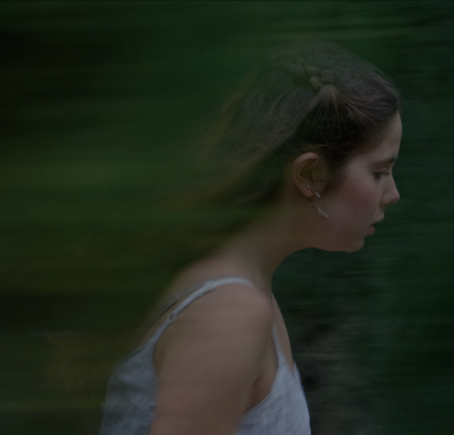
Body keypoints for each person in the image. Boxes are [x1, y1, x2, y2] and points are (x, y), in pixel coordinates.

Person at [99, 41, 402, 435]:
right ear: (309, 175)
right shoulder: (230, 315)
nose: (392, 193)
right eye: (379, 172)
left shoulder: (243, 292)